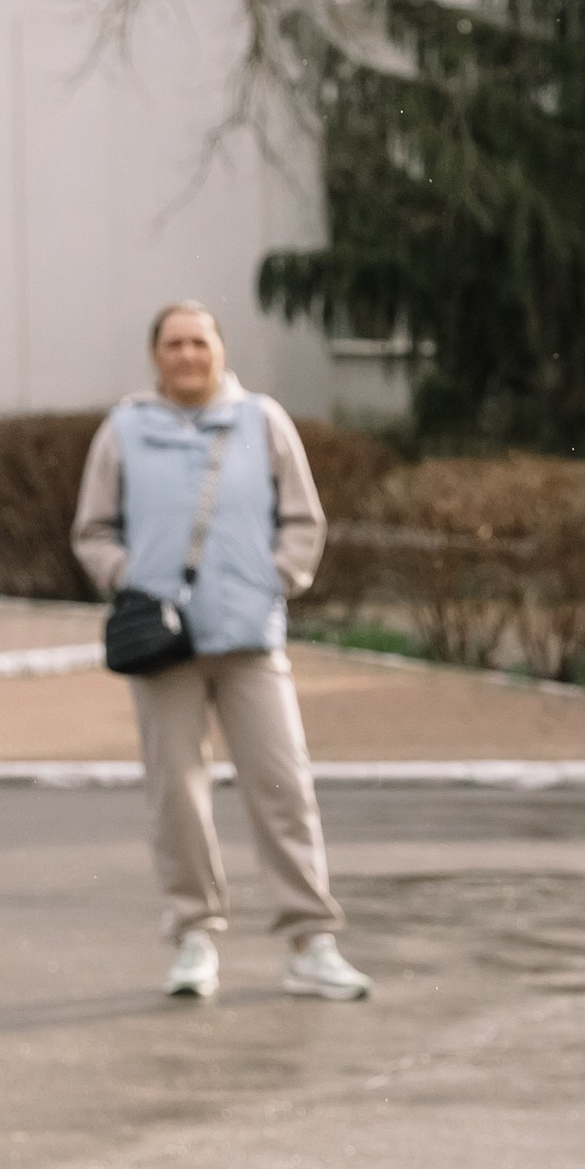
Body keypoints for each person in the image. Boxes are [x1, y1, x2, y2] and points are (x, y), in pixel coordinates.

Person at [71, 302, 372, 1005]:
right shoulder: (123, 430)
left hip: (249, 638)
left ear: (219, 350)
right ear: (156, 355)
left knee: (283, 789)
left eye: (198, 342)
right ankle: (194, 938)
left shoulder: (262, 421)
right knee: (176, 795)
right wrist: (128, 577)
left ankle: (311, 942)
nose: (186, 355)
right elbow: (92, 529)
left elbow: (304, 518)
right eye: (173, 344)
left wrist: (278, 578)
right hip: (162, 643)